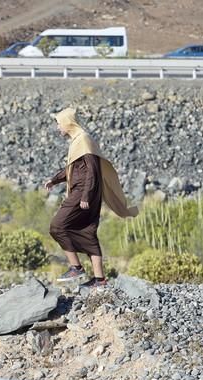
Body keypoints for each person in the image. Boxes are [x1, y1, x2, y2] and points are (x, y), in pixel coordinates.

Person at [45, 107, 138, 290]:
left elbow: (92, 171)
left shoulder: (84, 140)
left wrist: (86, 195)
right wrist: (54, 180)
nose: (57, 128)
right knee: (87, 232)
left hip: (83, 192)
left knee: (57, 226)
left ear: (67, 123)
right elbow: (74, 169)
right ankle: (100, 280)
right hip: (84, 191)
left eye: (58, 124)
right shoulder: (78, 140)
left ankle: (76, 267)